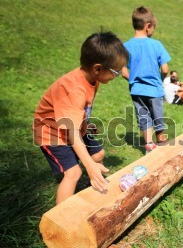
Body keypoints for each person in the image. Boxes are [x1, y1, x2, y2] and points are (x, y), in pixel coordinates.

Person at [33, 32, 129, 205]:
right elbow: (71, 131)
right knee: (74, 173)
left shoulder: (93, 78)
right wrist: (89, 167)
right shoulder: (74, 90)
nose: (117, 76)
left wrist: (85, 122)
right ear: (98, 68)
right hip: (52, 133)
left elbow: (77, 111)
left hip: (74, 126)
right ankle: (60, 220)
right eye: (115, 72)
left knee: (99, 154)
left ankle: (97, 184)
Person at [122, 6, 171, 153]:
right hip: (155, 89)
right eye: (153, 28)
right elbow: (165, 69)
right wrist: (160, 80)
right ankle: (161, 143)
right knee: (158, 117)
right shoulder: (156, 44)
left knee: (144, 117)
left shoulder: (125, 46)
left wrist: (133, 80)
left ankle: (149, 145)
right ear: (148, 26)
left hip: (137, 90)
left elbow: (122, 69)